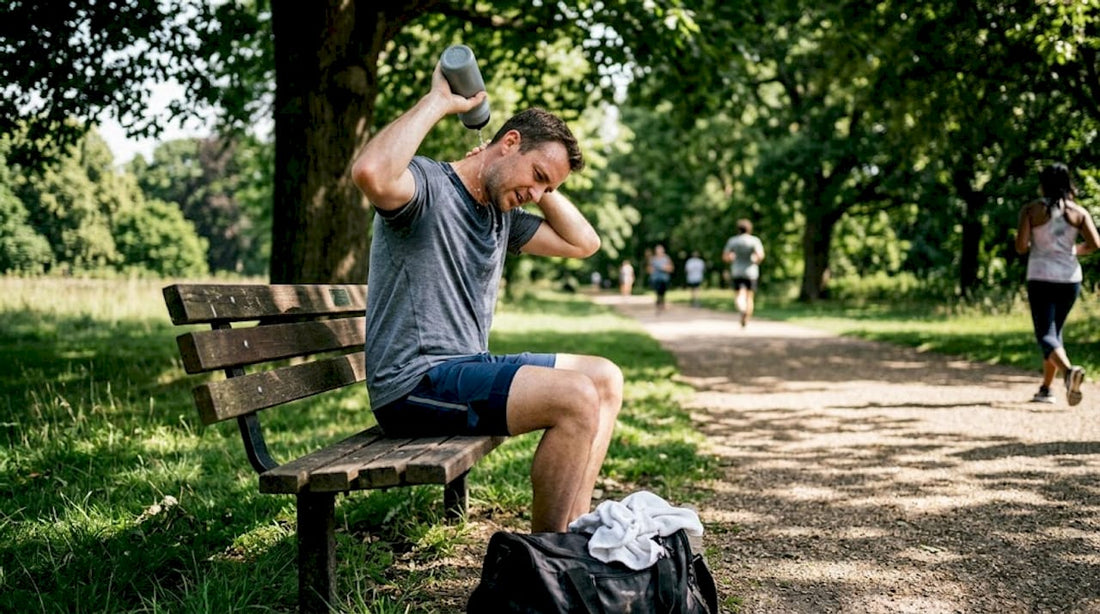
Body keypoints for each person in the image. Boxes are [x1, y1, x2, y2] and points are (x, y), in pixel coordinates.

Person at [351, 62, 623, 533]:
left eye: (547, 188)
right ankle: (547, 562)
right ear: (510, 141)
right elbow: (371, 171)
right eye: (536, 175)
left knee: (604, 378)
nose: (535, 193)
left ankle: (574, 531)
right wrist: (440, 101)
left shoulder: (501, 213)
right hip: (413, 385)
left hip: (463, 367)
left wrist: (538, 185)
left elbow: (584, 244)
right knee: (576, 396)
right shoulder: (427, 187)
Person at [1015, 162, 1099, 405]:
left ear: (1043, 184)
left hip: (1041, 276)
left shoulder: (1031, 210)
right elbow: (1095, 244)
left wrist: (1039, 247)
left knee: (1045, 334)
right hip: (1070, 278)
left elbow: (1021, 247)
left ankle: (1068, 372)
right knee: (1054, 332)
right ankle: (1046, 388)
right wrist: (1073, 250)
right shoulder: (1078, 213)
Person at [722, 218, 765, 327]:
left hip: (737, 271)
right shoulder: (754, 240)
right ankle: (747, 317)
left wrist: (732, 258)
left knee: (739, 295)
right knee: (749, 297)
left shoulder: (733, 241)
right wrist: (755, 260)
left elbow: (725, 256)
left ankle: (742, 309)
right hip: (751, 272)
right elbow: (760, 255)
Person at [647, 244, 674, 313]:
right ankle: (659, 302)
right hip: (655, 278)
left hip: (664, 278)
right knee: (658, 291)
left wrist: (664, 268)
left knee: (663, 291)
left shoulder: (666, 258)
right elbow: (649, 268)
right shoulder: (653, 259)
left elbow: (671, 268)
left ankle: (662, 302)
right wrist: (651, 270)